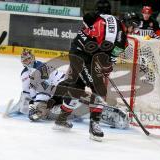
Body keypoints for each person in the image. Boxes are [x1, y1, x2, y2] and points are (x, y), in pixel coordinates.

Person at [49, 0, 127, 141]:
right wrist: (107, 63)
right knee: (99, 89)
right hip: (81, 55)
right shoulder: (117, 25)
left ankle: (61, 119)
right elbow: (117, 47)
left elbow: (96, 44)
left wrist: (104, 62)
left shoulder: (95, 19)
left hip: (78, 52)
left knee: (77, 88)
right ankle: (94, 126)